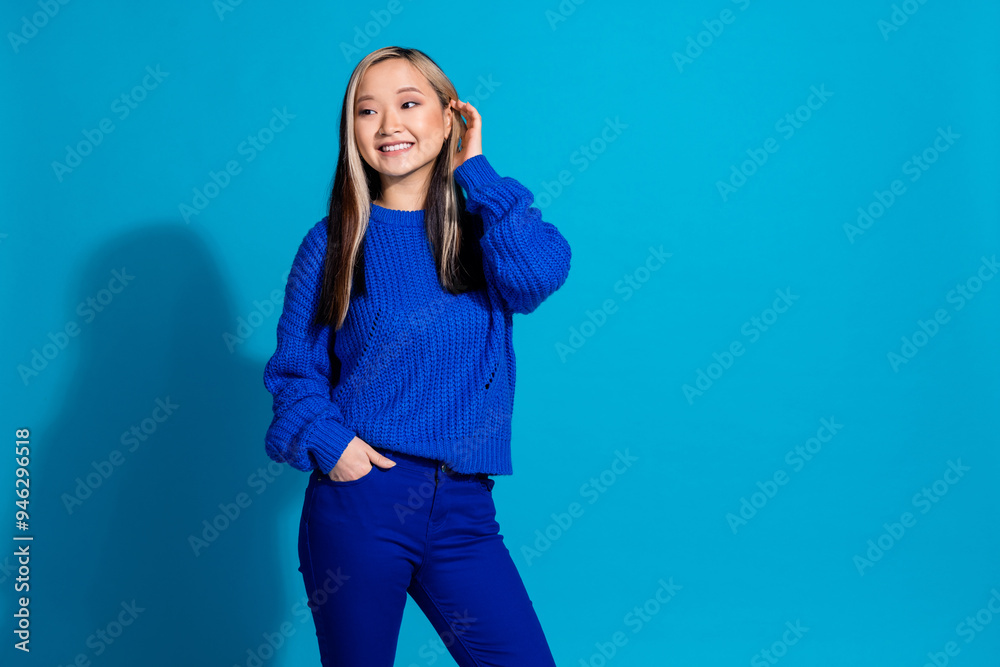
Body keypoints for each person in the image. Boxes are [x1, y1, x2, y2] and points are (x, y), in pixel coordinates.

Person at [262, 45, 571, 667]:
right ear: (350, 130)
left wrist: (476, 173)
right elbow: (295, 370)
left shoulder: (487, 231)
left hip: (464, 508)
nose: (388, 125)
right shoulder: (333, 242)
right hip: (363, 500)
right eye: (366, 111)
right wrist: (333, 447)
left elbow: (537, 278)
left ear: (449, 115)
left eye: (408, 104)